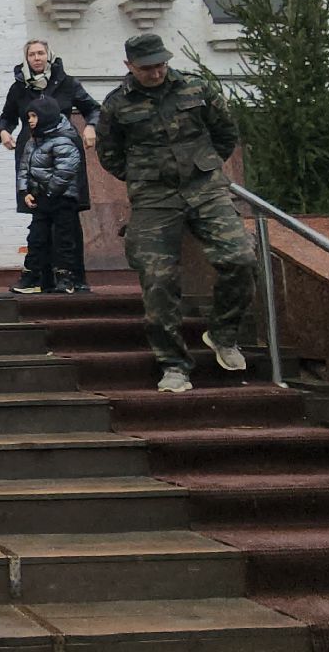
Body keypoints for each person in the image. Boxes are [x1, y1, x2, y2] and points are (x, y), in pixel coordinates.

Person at [98, 33, 256, 394]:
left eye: (160, 65)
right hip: (154, 196)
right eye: (147, 68)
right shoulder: (116, 105)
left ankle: (223, 334)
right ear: (129, 67)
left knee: (241, 257)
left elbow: (225, 132)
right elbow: (110, 154)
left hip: (205, 187)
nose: (156, 73)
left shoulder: (196, 89)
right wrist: (144, 175)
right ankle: (173, 364)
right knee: (157, 278)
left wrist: (204, 165)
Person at [15, 97, 88, 294]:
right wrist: (25, 192)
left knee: (64, 239)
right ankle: (32, 278)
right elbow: (25, 168)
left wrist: (50, 192)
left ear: (46, 116)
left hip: (62, 200)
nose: (30, 120)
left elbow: (66, 171)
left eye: (34, 116)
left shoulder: (63, 140)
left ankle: (66, 279)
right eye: (29, 116)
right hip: (41, 199)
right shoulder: (34, 141)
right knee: (36, 238)